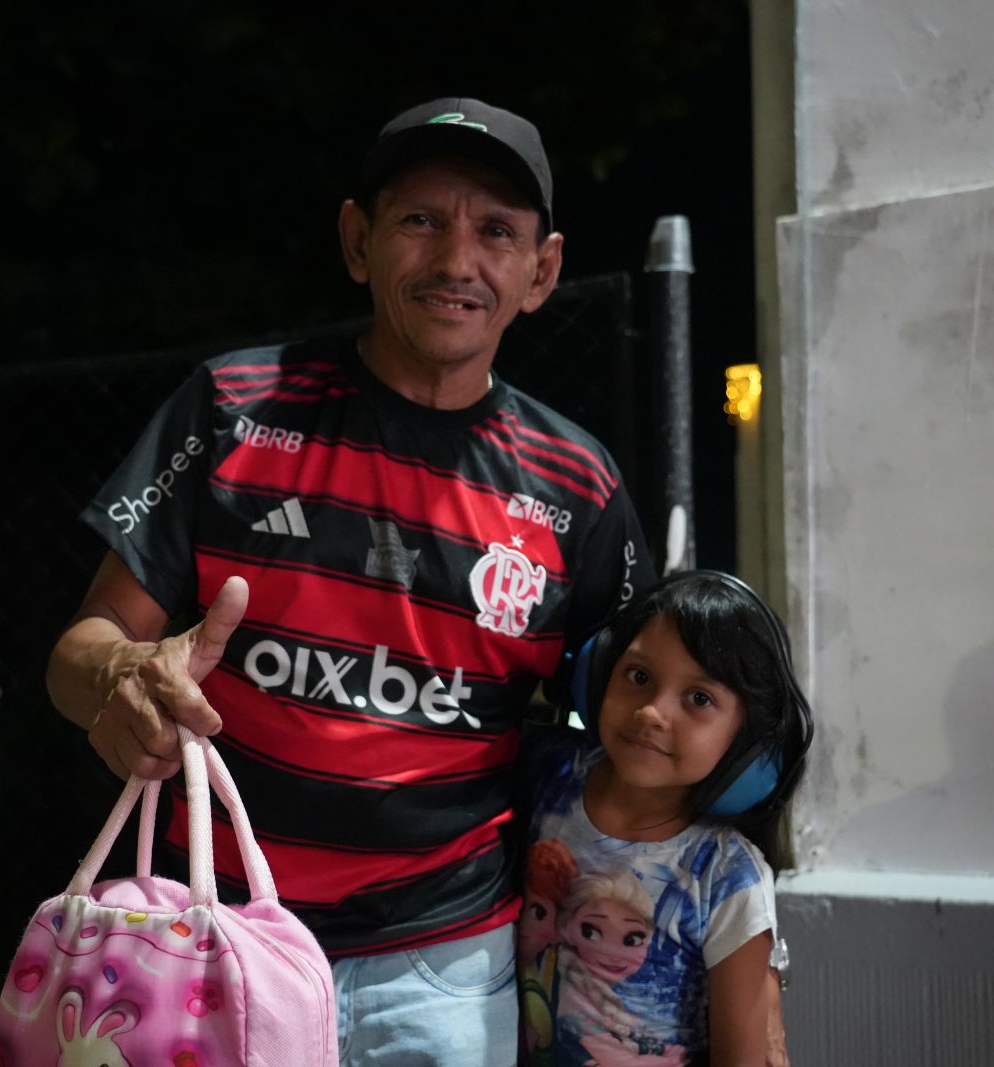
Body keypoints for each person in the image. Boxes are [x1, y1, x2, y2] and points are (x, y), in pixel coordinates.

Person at [45, 96, 656, 1066]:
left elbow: (638, 715)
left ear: (540, 271)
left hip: (446, 963)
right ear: (356, 239)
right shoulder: (232, 408)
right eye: (420, 219)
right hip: (213, 931)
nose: (457, 261)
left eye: (495, 231)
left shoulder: (580, 487)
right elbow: (81, 648)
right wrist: (122, 671)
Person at [517, 571, 813, 1066]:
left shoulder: (727, 876)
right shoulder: (549, 774)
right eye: (638, 676)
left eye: (699, 698)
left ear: (747, 741)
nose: (652, 711)